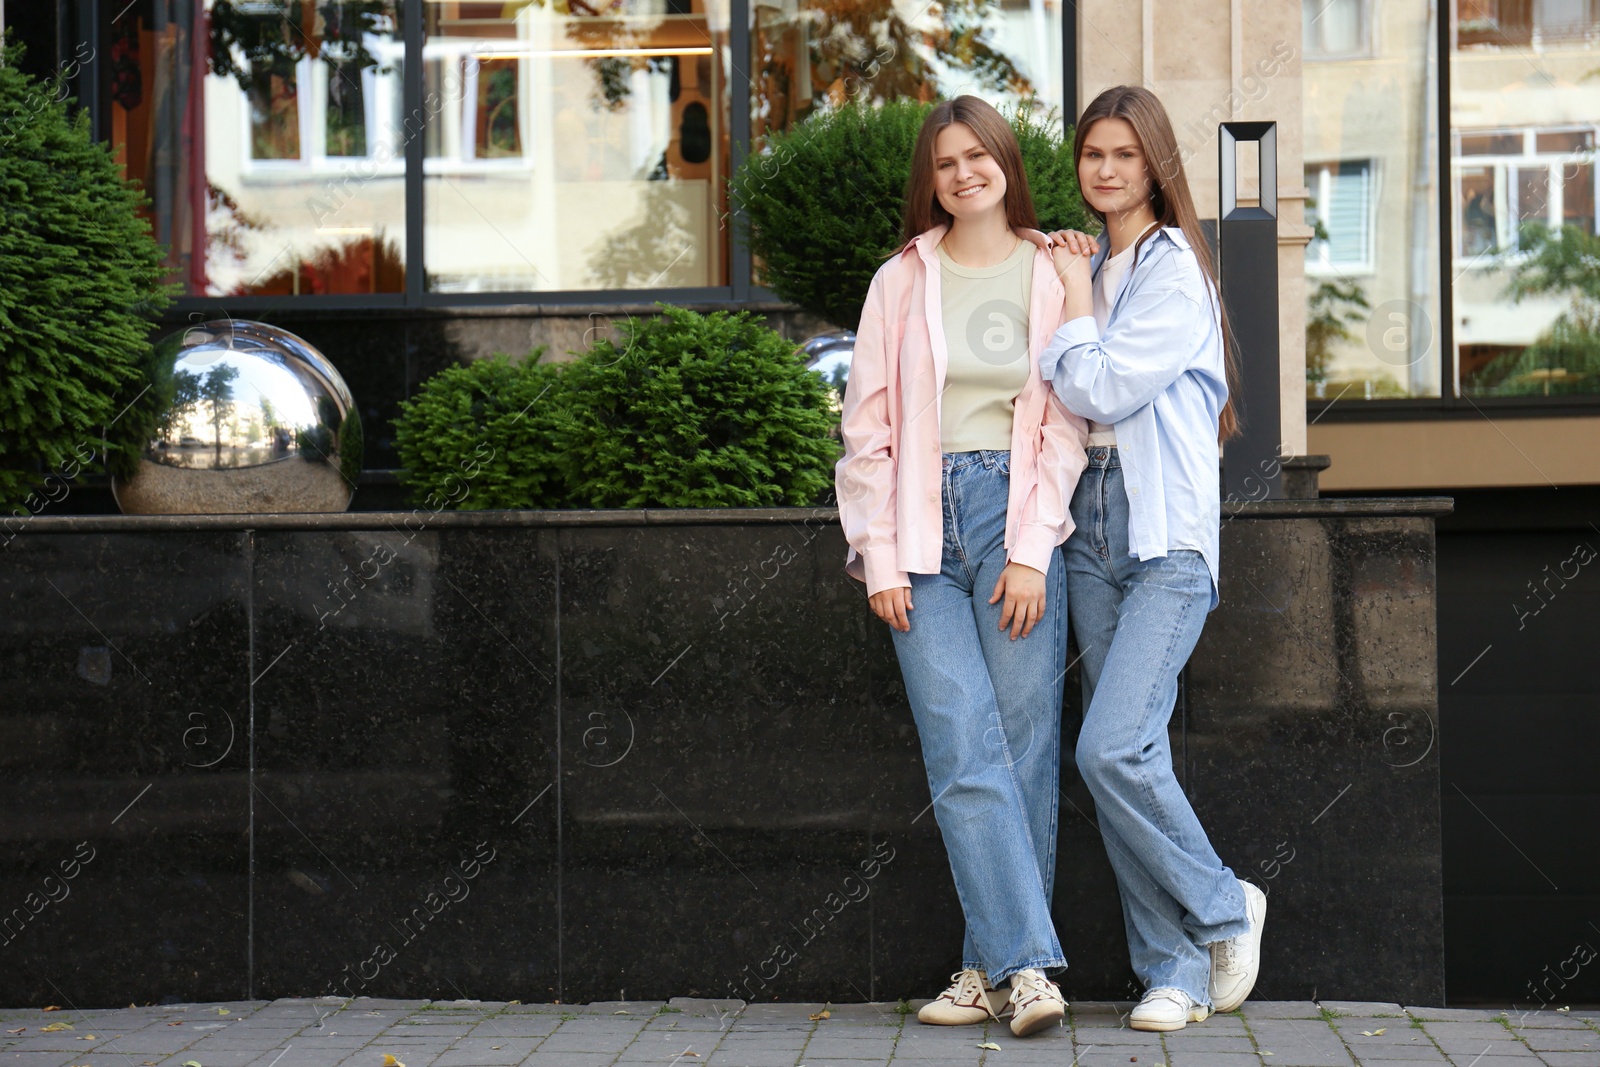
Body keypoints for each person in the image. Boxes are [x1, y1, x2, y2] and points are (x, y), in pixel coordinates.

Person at [835, 95, 1089, 1037]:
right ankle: (1028, 967)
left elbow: (1068, 421)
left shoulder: (1056, 268)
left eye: (978, 155)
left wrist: (1031, 551)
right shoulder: (899, 280)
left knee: (1021, 750)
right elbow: (866, 427)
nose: (963, 173)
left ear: (1004, 163)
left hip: (1015, 518)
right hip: (918, 522)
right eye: (946, 163)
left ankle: (992, 970)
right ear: (929, 180)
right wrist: (881, 553)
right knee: (959, 742)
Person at [1038, 84, 1267, 1033]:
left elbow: (1104, 381)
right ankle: (1169, 970)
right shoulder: (1091, 262)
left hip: (1163, 530)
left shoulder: (1172, 267)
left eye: (1124, 155)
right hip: (1088, 523)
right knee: (1121, 760)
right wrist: (1068, 295)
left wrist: (1064, 320)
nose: (1105, 169)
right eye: (1093, 152)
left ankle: (1223, 906)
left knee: (1112, 745)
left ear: (1156, 165)